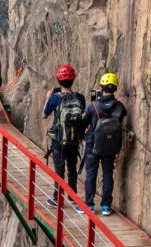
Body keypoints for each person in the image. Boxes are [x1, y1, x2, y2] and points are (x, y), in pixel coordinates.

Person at [80, 72, 127, 216]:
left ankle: (89, 205)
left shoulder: (93, 106)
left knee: (91, 174)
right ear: (115, 88)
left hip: (93, 146)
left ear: (101, 87)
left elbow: (83, 124)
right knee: (107, 174)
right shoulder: (120, 107)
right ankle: (106, 206)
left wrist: (83, 136)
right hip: (110, 146)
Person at [42, 64, 85, 207]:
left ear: (58, 80)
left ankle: (57, 199)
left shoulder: (55, 99)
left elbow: (44, 115)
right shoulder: (80, 98)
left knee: (59, 169)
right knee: (72, 168)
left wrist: (48, 98)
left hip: (59, 140)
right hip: (74, 139)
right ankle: (72, 197)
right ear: (74, 79)